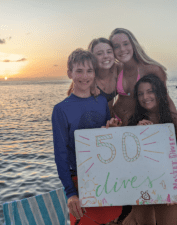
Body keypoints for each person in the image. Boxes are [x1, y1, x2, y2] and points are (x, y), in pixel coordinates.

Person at [52, 48, 122, 225]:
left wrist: (113, 128)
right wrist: (70, 193)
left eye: (89, 71)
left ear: (95, 73)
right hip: (80, 183)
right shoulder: (61, 109)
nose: (85, 76)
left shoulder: (101, 103)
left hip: (108, 181)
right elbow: (60, 155)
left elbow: (108, 142)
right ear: (70, 73)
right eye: (79, 71)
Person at [122, 74, 177, 225]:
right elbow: (126, 161)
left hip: (168, 189)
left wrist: (175, 186)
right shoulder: (133, 123)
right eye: (140, 93)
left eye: (150, 91)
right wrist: (136, 135)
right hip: (141, 189)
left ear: (160, 93)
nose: (145, 97)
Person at [109, 28, 177, 125]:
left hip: (139, 123)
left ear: (133, 44)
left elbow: (165, 99)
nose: (122, 49)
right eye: (116, 46)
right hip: (116, 122)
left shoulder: (152, 69)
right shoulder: (115, 69)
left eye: (125, 44)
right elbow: (107, 96)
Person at [67, 38, 122, 116]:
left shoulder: (119, 69)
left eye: (109, 52)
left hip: (109, 122)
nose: (106, 56)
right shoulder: (87, 78)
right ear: (91, 58)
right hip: (90, 122)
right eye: (99, 53)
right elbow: (72, 105)